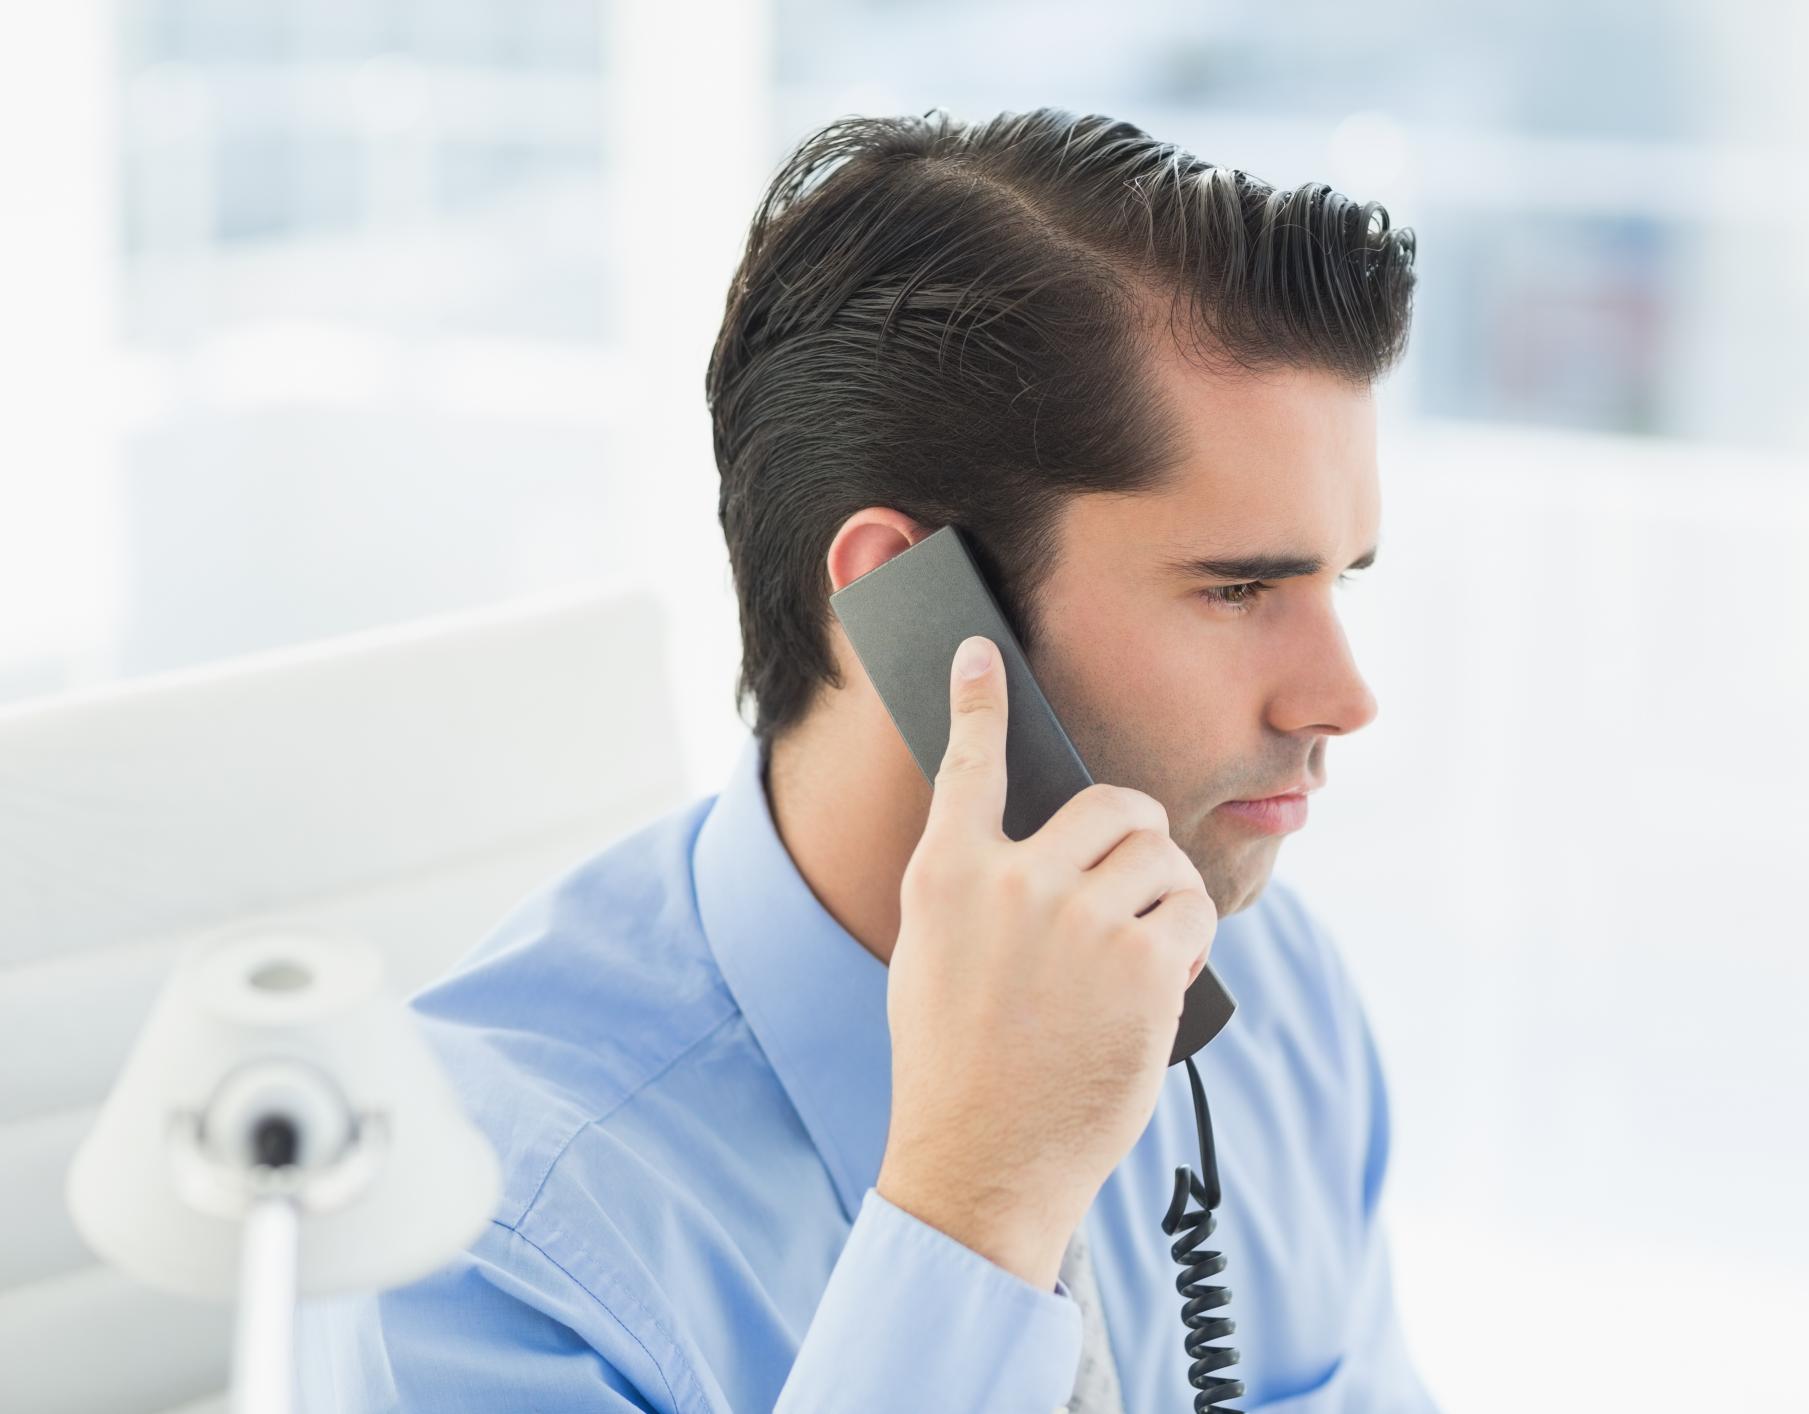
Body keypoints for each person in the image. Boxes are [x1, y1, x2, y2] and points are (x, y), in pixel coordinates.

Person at [296, 106, 1442, 1413]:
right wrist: (975, 1208)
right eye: (1238, 588)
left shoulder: (1270, 998)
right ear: (915, 605)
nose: (1344, 696)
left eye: (1337, 579)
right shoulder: (470, 1240)